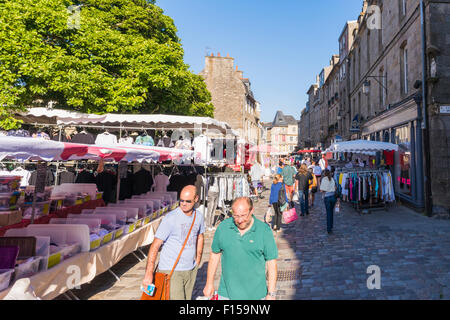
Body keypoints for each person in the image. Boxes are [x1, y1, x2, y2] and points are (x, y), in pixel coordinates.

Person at [203, 197, 278, 300]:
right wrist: (209, 283)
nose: (240, 220)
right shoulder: (223, 227)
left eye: (243, 215)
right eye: (236, 216)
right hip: (226, 294)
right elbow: (215, 255)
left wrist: (271, 293)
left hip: (256, 295)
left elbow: (271, 263)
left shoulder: (264, 231)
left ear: (251, 211)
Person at [142, 185, 205, 300]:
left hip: (190, 269)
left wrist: (198, 258)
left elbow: (200, 236)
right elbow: (155, 246)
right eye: (181, 200)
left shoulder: (199, 216)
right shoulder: (170, 218)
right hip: (171, 270)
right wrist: (148, 273)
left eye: (188, 201)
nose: (184, 204)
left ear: (196, 199)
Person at [320, 169, 337, 234]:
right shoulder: (332, 179)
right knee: (331, 212)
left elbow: (322, 190)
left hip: (327, 197)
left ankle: (329, 228)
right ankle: (331, 226)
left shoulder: (324, 179)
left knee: (328, 213)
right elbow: (335, 188)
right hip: (333, 197)